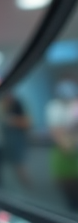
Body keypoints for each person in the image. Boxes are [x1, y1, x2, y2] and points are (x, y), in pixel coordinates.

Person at [45, 78, 78, 211]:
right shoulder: (54, 108)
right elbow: (59, 137)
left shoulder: (74, 106)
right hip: (64, 158)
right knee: (70, 194)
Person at [0, 93, 31, 187]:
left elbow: (26, 122)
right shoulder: (1, 107)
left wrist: (13, 121)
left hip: (17, 137)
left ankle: (26, 184)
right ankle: (22, 184)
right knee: (14, 164)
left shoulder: (17, 105)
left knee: (19, 163)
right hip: (7, 139)